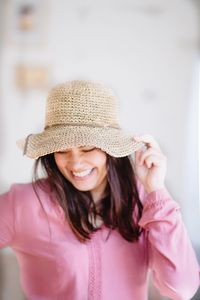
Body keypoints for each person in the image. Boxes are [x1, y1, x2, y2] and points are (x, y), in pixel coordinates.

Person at [0, 80, 199, 300]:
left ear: (110, 150)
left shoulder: (143, 199)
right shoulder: (23, 203)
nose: (75, 163)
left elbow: (182, 289)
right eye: (62, 151)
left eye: (87, 148)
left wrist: (156, 191)